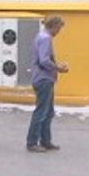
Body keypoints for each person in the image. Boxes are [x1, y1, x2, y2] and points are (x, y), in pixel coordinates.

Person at [26, 16, 68, 153]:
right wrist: (58, 68)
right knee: (42, 111)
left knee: (48, 112)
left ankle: (45, 140)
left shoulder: (40, 36)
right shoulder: (46, 38)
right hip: (44, 79)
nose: (59, 32)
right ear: (54, 26)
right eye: (59, 28)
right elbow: (44, 60)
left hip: (42, 78)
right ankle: (32, 142)